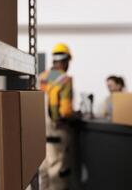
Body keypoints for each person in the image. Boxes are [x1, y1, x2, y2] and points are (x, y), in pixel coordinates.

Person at [39, 43, 74, 190]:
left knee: (44, 174)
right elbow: (65, 111)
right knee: (58, 175)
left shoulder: (42, 77)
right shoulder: (65, 80)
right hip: (56, 133)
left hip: (40, 134)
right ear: (66, 61)